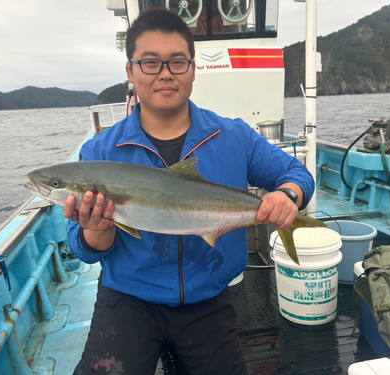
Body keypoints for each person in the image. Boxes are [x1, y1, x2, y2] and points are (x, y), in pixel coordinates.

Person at [64, 7, 314, 375]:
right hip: (129, 298)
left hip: (209, 295)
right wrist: (97, 231)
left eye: (177, 62)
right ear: (130, 71)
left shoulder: (232, 136)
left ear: (193, 68)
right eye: (150, 62)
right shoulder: (100, 153)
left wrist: (287, 196)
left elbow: (296, 174)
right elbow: (79, 247)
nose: (165, 73)